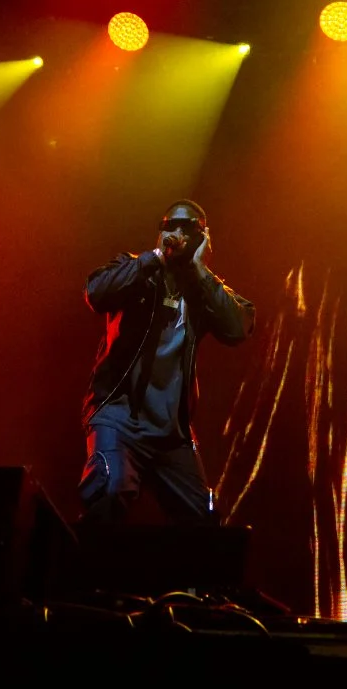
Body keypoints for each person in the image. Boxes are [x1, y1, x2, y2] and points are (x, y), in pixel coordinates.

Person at [78, 199, 254, 525]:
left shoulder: (201, 289)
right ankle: (85, 556)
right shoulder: (137, 270)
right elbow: (96, 292)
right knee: (110, 490)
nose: (178, 234)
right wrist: (155, 259)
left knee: (204, 522)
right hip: (119, 419)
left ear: (203, 239)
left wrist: (201, 270)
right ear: (160, 232)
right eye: (171, 226)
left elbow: (238, 327)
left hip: (171, 433)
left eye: (188, 229)